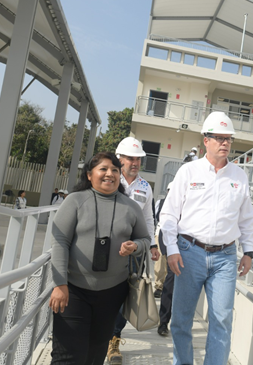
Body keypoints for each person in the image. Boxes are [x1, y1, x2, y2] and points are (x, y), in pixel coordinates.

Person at [161, 112, 253, 365]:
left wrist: (249, 251)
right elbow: (169, 214)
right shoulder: (188, 171)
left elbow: (246, 218)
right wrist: (172, 248)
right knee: (181, 319)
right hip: (189, 252)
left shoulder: (239, 176)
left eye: (228, 139)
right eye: (219, 138)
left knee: (222, 320)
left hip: (225, 257)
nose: (225, 143)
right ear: (206, 140)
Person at [49, 152, 150, 365]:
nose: (109, 174)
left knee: (95, 355)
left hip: (112, 293)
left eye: (114, 170)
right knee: (66, 356)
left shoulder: (131, 207)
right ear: (89, 175)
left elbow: (145, 239)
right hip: (73, 291)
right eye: (103, 169)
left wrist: (135, 246)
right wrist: (60, 284)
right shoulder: (75, 201)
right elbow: (60, 242)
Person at [107, 137, 160, 365]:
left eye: (138, 159)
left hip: (134, 251)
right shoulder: (109, 179)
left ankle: (113, 340)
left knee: (125, 295)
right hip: (106, 248)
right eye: (130, 158)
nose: (135, 162)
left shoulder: (145, 187)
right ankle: (95, 334)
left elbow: (148, 218)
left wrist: (152, 245)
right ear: (119, 158)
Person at [155, 183, 175, 337]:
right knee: (170, 284)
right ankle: (163, 323)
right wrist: (169, 253)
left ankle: (180, 324)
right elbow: (162, 227)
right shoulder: (165, 204)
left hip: (192, 250)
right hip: (171, 246)